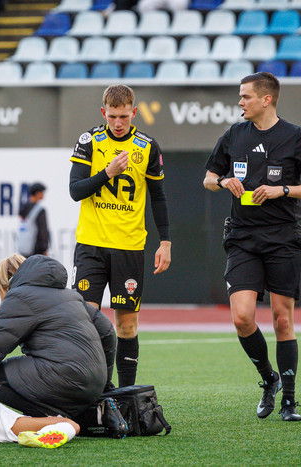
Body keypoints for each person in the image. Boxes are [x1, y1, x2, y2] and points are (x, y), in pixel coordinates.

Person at [203, 72, 301, 422]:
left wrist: (282, 190)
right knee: (242, 317)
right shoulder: (234, 134)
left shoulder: (295, 137)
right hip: (242, 237)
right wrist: (224, 181)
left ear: (266, 99)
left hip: (282, 238)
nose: (240, 102)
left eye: (246, 96)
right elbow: (208, 178)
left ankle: (289, 401)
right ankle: (269, 378)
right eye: (240, 96)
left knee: (282, 319)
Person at [69, 84, 171, 388]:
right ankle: (92, 390)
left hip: (128, 246)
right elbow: (75, 191)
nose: (117, 123)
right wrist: (108, 173)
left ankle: (126, 396)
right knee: (85, 320)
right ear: (103, 112)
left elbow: (158, 197)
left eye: (124, 117)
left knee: (126, 324)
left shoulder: (147, 146)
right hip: (91, 245)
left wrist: (165, 241)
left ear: (134, 113)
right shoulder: (89, 141)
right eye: (112, 116)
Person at [0, 254, 117, 420]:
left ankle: (50, 417)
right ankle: (66, 414)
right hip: (94, 385)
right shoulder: (71, 295)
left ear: (5, 284)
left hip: (64, 378)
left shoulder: (18, 297)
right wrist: (104, 383)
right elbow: (107, 331)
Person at [17, 182, 50, 257]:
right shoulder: (39, 210)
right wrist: (44, 249)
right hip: (37, 250)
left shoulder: (23, 209)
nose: (43, 195)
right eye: (42, 192)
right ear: (37, 193)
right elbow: (43, 231)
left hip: (23, 248)